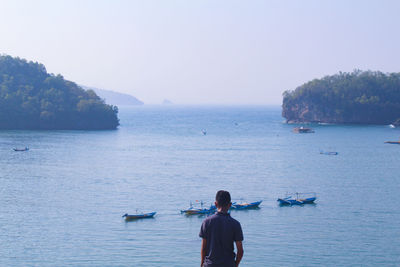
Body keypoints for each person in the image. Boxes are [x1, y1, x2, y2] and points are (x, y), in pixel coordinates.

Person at [199, 190, 244, 267]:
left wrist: (202, 264)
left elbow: (204, 249)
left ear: (215, 204)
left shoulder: (206, 222)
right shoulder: (235, 224)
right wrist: (235, 265)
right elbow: (240, 251)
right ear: (230, 205)